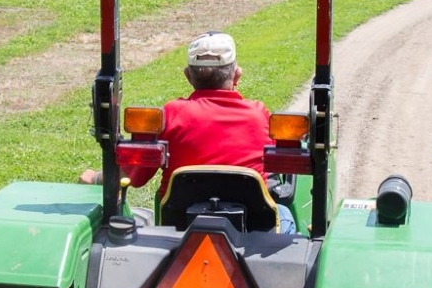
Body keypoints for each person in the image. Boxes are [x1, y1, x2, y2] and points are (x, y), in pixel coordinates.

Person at [80, 31, 297, 233]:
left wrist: (96, 177)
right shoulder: (258, 114)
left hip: (180, 226)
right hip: (251, 231)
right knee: (285, 214)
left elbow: (132, 177)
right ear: (237, 75)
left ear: (188, 76)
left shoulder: (172, 113)